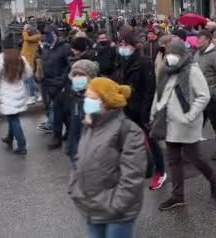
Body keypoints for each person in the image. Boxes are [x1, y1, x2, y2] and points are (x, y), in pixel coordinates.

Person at [68, 77, 146, 238]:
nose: (87, 101)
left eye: (92, 98)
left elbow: (133, 174)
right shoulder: (90, 124)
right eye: (86, 97)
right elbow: (79, 160)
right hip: (91, 206)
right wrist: (74, 188)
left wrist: (117, 205)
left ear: (106, 101)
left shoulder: (128, 130)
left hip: (116, 212)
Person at [153, 40, 216, 210]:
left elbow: (203, 96)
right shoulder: (165, 71)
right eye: (168, 53)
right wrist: (154, 112)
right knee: (174, 160)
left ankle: (213, 178)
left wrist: (190, 115)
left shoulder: (192, 70)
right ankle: (177, 196)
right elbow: (159, 93)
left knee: (194, 158)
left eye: (174, 54)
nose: (171, 57)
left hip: (186, 122)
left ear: (182, 54)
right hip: (169, 122)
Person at [114, 31, 164, 190]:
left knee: (151, 140)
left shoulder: (144, 62)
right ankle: (139, 167)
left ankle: (160, 171)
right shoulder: (123, 61)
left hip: (142, 109)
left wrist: (145, 113)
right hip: (127, 108)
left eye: (125, 44)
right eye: (120, 44)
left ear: (134, 46)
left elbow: (150, 89)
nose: (122, 47)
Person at [0, 36, 33, 155]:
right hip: (19, 90)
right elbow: (29, 73)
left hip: (6, 91)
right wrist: (20, 79)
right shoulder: (20, 57)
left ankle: (22, 145)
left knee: (13, 118)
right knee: (12, 116)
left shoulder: (1, 57)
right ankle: (10, 137)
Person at [195, 30, 216, 160]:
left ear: (208, 40)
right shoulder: (198, 53)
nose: (197, 40)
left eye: (200, 38)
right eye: (197, 38)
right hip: (200, 96)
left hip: (212, 96)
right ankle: (191, 150)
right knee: (197, 123)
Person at [41, 25, 71, 149]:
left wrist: (61, 81)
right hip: (49, 84)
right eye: (44, 33)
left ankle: (57, 136)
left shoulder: (65, 47)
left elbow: (69, 66)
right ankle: (68, 133)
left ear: (54, 34)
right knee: (60, 112)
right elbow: (44, 63)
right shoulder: (45, 48)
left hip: (61, 85)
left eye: (48, 33)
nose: (45, 36)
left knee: (60, 112)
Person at [65, 59, 99, 167]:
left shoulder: (96, 97)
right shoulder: (74, 95)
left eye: (81, 75)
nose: (77, 78)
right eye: (75, 75)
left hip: (91, 151)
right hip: (76, 147)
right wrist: (70, 146)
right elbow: (73, 125)